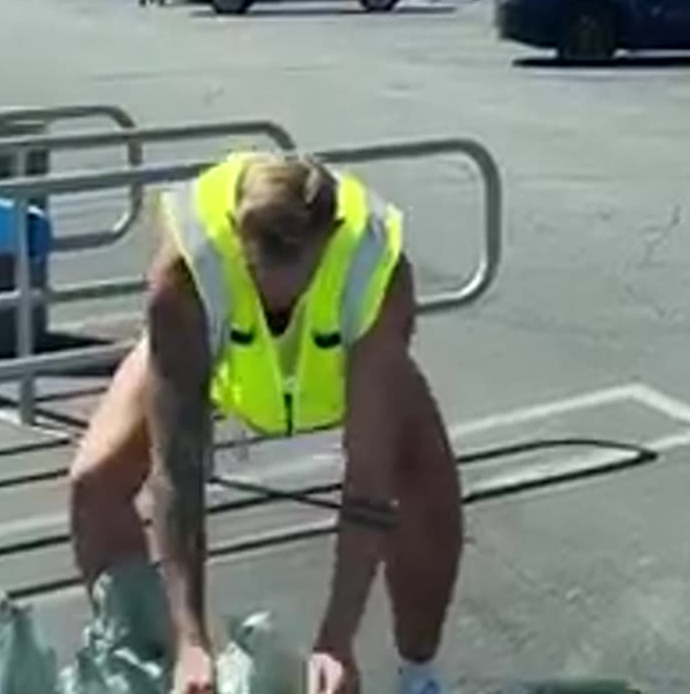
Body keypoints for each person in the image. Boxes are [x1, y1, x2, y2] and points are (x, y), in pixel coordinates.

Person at [67, 150, 464, 694]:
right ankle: (156, 668)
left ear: (332, 236)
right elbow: (177, 469)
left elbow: (369, 478)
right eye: (259, 279)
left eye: (296, 285)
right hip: (221, 366)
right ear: (237, 237)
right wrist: (191, 637)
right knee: (95, 482)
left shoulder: (377, 268)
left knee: (430, 496)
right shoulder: (184, 273)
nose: (278, 302)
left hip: (337, 374)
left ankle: (418, 675)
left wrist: (336, 640)